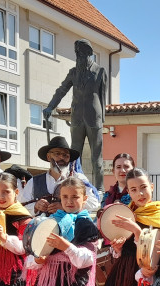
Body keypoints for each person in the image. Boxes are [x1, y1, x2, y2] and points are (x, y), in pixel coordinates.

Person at [43, 39, 107, 189]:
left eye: (81, 53)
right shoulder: (73, 72)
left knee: (96, 158)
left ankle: (100, 189)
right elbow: (61, 90)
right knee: (73, 156)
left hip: (94, 118)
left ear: (88, 54)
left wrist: (101, 119)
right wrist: (50, 107)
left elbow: (103, 97)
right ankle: (72, 185)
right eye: (77, 53)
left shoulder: (100, 71)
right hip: (77, 118)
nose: (78, 56)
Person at [18, 136, 99, 215]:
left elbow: (94, 203)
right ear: (49, 157)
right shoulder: (34, 181)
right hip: (42, 227)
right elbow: (22, 206)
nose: (61, 157)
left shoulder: (78, 178)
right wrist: (35, 206)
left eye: (65, 155)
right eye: (57, 154)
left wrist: (65, 207)